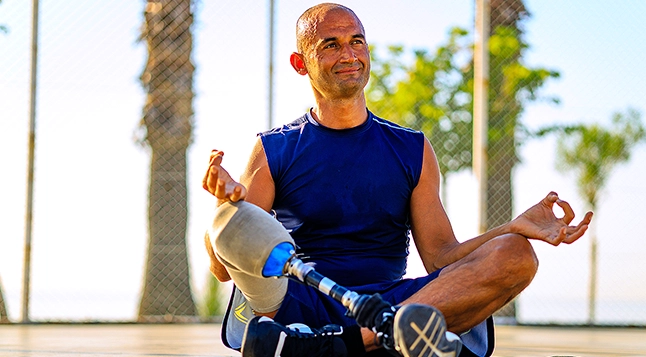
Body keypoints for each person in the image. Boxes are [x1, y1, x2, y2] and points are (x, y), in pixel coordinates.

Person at [202, 3, 593, 357]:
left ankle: (350, 344)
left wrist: (512, 228)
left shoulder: (413, 149)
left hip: (390, 303)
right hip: (303, 301)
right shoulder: (273, 149)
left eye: (357, 42)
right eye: (331, 45)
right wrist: (225, 210)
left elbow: (441, 257)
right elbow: (225, 268)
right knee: (232, 227)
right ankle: (381, 340)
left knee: (517, 254)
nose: (349, 54)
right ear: (300, 63)